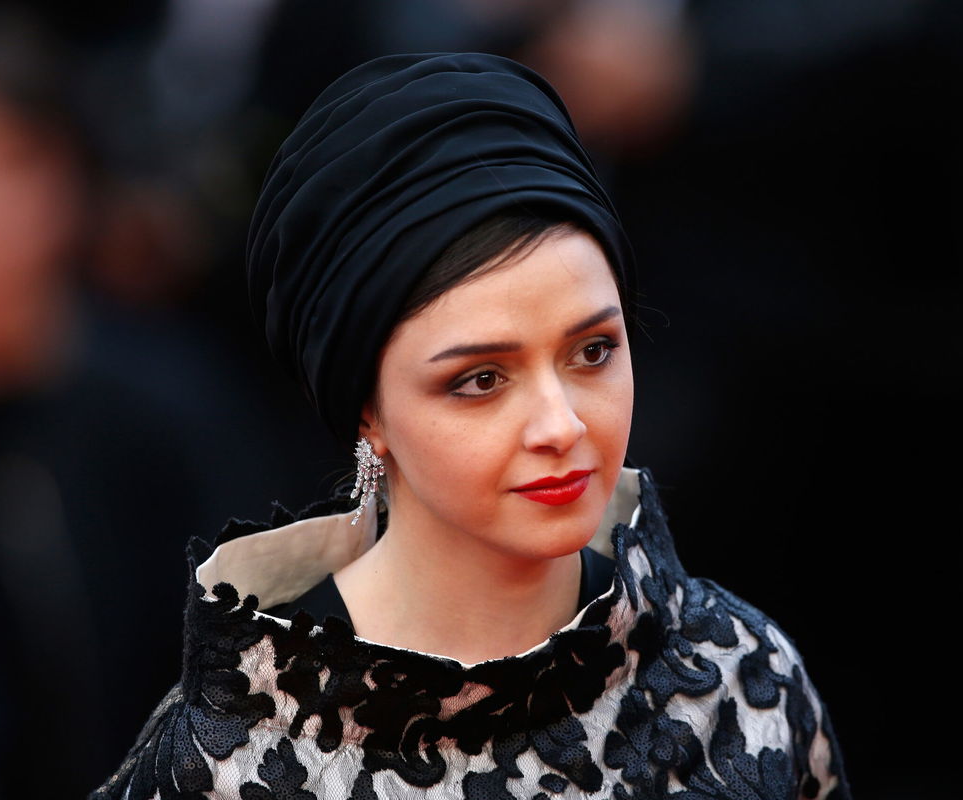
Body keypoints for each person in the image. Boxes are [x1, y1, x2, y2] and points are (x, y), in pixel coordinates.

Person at [91, 53, 850, 800]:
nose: (561, 424)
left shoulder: (739, 679)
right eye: (481, 380)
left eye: (593, 352)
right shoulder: (227, 764)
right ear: (368, 411)